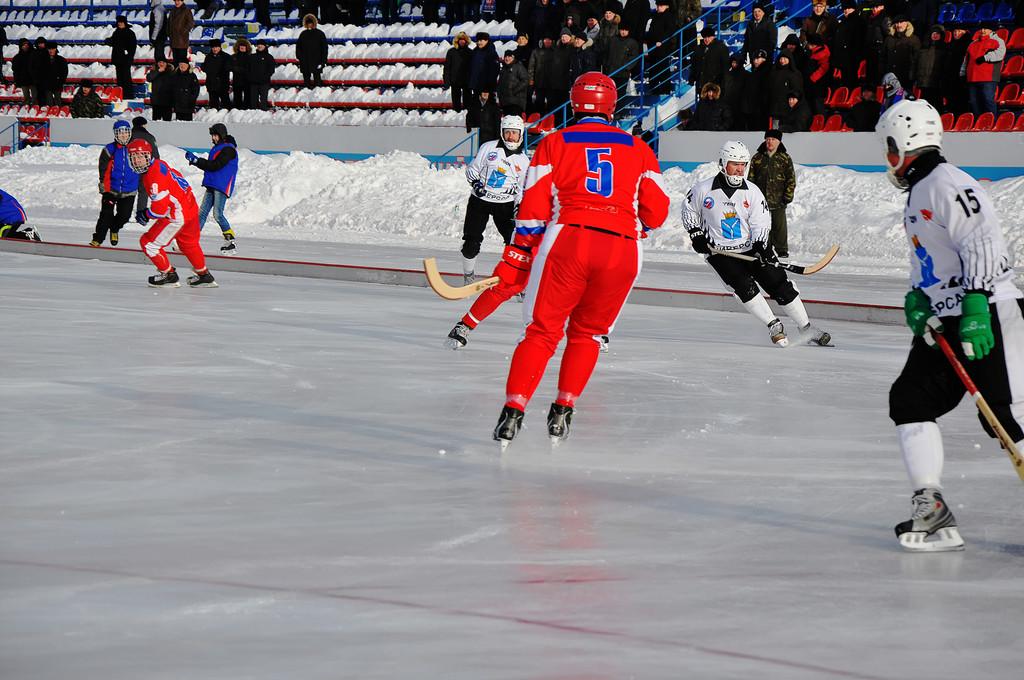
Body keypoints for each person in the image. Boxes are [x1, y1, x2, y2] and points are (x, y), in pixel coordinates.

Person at [875, 98, 1023, 552]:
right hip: (947, 320)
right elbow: (934, 256)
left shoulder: (946, 182)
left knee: (1008, 416)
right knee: (911, 399)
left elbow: (983, 240)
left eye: (888, 148)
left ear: (901, 145)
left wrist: (977, 304)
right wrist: (920, 295)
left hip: (988, 313)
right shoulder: (921, 190)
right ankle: (933, 509)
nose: (887, 158)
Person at [491, 72, 670, 447]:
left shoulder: (554, 143)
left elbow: (534, 210)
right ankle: (563, 409)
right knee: (588, 333)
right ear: (611, 106)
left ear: (574, 104)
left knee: (542, 332)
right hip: (621, 249)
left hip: (569, 240)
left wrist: (517, 257)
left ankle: (513, 411)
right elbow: (656, 212)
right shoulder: (638, 147)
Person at [684, 140, 831, 348]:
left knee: (780, 285)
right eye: (735, 164)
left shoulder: (752, 192)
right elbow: (688, 209)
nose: (739, 169)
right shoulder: (702, 189)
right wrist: (696, 233)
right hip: (720, 253)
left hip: (751, 248)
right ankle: (773, 324)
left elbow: (761, 221)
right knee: (745, 287)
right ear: (723, 163)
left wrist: (762, 246)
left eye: (743, 164)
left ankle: (807, 328)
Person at [445, 116, 530, 349]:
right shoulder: (488, 148)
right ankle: (468, 275)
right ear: (502, 132)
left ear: (520, 135)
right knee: (471, 242)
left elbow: (524, 189)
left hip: (505, 206)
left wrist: (518, 204)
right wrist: (476, 184)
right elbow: (472, 171)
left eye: (515, 133)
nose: (511, 136)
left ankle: (518, 284)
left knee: (515, 245)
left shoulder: (524, 161)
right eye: (508, 132)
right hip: (480, 202)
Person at [128, 138, 217, 288]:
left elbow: (160, 209)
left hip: (178, 215)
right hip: (190, 208)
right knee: (189, 244)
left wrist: (146, 214)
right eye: (133, 157)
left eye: (140, 156)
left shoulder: (153, 176)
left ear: (148, 156)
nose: (136, 161)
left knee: (149, 243)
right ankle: (204, 275)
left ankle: (169, 275)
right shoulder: (159, 164)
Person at [185, 122, 239, 254]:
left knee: (217, 214)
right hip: (212, 184)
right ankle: (191, 240)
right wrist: (196, 161)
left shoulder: (229, 150)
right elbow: (211, 166)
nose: (213, 138)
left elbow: (216, 165)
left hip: (221, 186)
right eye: (212, 135)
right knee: (202, 213)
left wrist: (198, 161)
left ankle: (230, 241)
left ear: (221, 135)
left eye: (215, 135)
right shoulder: (219, 147)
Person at [748, 129, 796, 259]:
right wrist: (750, 196)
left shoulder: (785, 158)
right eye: (768, 139)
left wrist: (788, 196)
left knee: (779, 226)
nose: (770, 142)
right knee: (763, 225)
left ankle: (782, 249)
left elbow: (791, 178)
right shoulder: (757, 158)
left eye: (773, 139)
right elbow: (751, 179)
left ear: (779, 142)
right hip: (761, 200)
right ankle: (766, 247)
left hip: (779, 199)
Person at [91, 120, 139, 247]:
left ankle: (115, 228)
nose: (123, 136)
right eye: (120, 133)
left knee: (125, 216)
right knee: (105, 215)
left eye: (125, 133)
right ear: (116, 134)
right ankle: (98, 238)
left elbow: (142, 166)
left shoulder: (135, 148)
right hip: (111, 189)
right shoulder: (109, 149)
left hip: (129, 190)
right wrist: (104, 186)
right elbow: (103, 169)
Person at [961, 22, 1005, 118]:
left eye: (986, 28)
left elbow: (1000, 54)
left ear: (991, 30)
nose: (983, 30)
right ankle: (979, 122)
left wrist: (985, 57)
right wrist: (962, 73)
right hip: (972, 77)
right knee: (974, 102)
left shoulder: (998, 41)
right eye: (981, 28)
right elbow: (966, 60)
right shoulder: (973, 43)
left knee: (988, 100)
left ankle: (991, 121)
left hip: (988, 77)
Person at [130, 116, 159, 225]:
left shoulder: (129, 136)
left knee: (129, 191)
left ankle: (125, 212)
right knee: (143, 191)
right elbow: (155, 155)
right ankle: (140, 215)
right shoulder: (150, 137)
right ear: (144, 125)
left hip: (130, 167)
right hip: (145, 168)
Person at [106, 15, 137, 96]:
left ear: (125, 23)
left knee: (126, 77)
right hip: (117, 58)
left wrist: (129, 57)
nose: (119, 24)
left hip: (126, 59)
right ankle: (120, 94)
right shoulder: (116, 32)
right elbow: (113, 42)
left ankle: (128, 94)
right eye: (119, 22)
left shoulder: (130, 33)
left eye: (121, 22)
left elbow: (133, 47)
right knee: (119, 78)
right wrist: (108, 41)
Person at [296, 14, 328, 89]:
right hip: (305, 60)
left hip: (317, 60)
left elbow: (324, 48)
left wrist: (323, 61)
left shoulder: (320, 34)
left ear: (314, 23)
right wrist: (300, 57)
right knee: (306, 81)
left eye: (311, 23)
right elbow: (298, 47)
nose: (309, 25)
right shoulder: (303, 34)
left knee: (317, 80)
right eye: (308, 23)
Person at [443, 32, 472, 113]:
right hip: (455, 81)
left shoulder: (470, 52)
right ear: (457, 41)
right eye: (460, 39)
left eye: (464, 40)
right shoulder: (451, 52)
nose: (462, 41)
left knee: (468, 104)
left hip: (467, 81)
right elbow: (447, 68)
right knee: (456, 104)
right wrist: (447, 82)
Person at [203, 38, 231, 109]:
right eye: (213, 47)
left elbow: (227, 68)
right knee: (213, 106)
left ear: (220, 47)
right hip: (211, 85)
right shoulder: (208, 57)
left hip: (222, 85)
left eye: (216, 47)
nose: (215, 49)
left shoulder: (226, 57)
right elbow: (205, 68)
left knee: (226, 105)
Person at [250, 40, 276, 111]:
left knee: (263, 101)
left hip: (264, 82)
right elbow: (248, 68)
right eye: (258, 44)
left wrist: (265, 77)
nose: (259, 46)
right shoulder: (252, 57)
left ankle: (263, 114)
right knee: (253, 103)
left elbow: (271, 69)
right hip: (253, 82)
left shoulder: (269, 57)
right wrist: (251, 78)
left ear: (265, 46)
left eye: (261, 44)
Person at [168, 0, 194, 66]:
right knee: (175, 61)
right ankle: (176, 75)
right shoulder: (173, 10)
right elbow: (169, 23)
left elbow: (191, 23)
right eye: (175, 1)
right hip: (173, 40)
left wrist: (183, 31)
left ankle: (183, 75)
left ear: (182, 1)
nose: (177, 2)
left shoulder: (186, 10)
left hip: (182, 40)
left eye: (178, 0)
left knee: (182, 61)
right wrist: (168, 32)